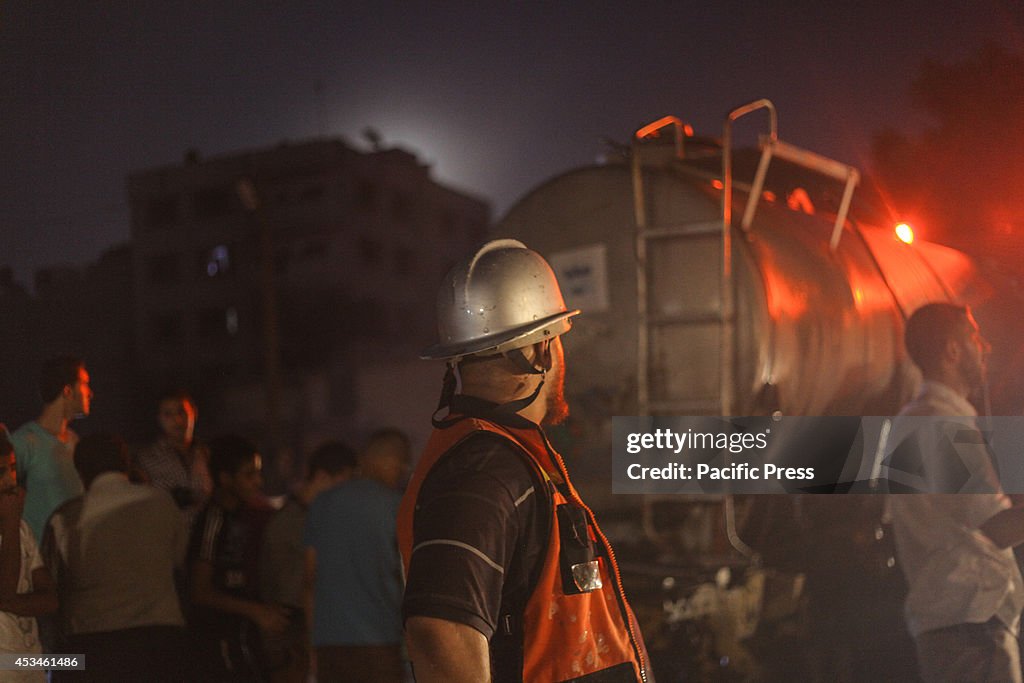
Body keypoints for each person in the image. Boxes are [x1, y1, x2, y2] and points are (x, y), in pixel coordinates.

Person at [398, 239, 650, 682]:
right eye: (558, 339)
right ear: (540, 350)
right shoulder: (484, 471)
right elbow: (439, 629)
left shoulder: (507, 457)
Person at [889, 302, 1024, 682]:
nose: (985, 347)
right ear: (952, 350)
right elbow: (995, 527)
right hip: (971, 628)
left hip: (957, 627)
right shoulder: (941, 423)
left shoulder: (922, 418)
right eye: (974, 337)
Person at [42, 433, 188, 682]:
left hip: (90, 647)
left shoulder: (65, 517)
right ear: (126, 464)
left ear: (80, 470)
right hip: (160, 641)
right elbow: (180, 562)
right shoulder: (162, 503)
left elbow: (49, 589)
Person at [303, 428, 411, 683]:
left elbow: (309, 580)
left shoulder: (322, 503)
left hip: (330, 645)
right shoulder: (398, 507)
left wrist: (313, 644)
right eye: (402, 463)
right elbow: (408, 578)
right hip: (381, 643)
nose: (403, 471)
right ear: (388, 461)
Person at [188, 434, 290, 682]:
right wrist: (256, 611)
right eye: (249, 475)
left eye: (258, 473)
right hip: (218, 636)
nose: (258, 482)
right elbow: (199, 590)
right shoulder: (214, 519)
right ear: (225, 478)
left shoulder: (245, 515)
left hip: (244, 632)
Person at [259, 440, 357, 683]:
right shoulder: (294, 522)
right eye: (344, 483)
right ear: (323, 477)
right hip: (291, 637)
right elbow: (307, 586)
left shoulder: (310, 518)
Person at [11, 355, 91, 541]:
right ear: (67, 391)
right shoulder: (24, 442)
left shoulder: (74, 441)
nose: (90, 393)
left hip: (72, 557)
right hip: (40, 561)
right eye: (85, 384)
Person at [0, 426, 58, 683]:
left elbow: (50, 598)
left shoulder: (22, 529)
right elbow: (4, 589)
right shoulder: (16, 525)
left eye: (12, 469)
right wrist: (10, 522)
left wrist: (10, 603)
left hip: (29, 659)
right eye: (0, 472)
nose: (10, 481)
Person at [136, 390, 212, 535]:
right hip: (165, 537)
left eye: (182, 413)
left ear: (193, 414)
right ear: (159, 418)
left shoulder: (206, 455)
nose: (177, 420)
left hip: (203, 540)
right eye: (168, 414)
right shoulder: (147, 459)